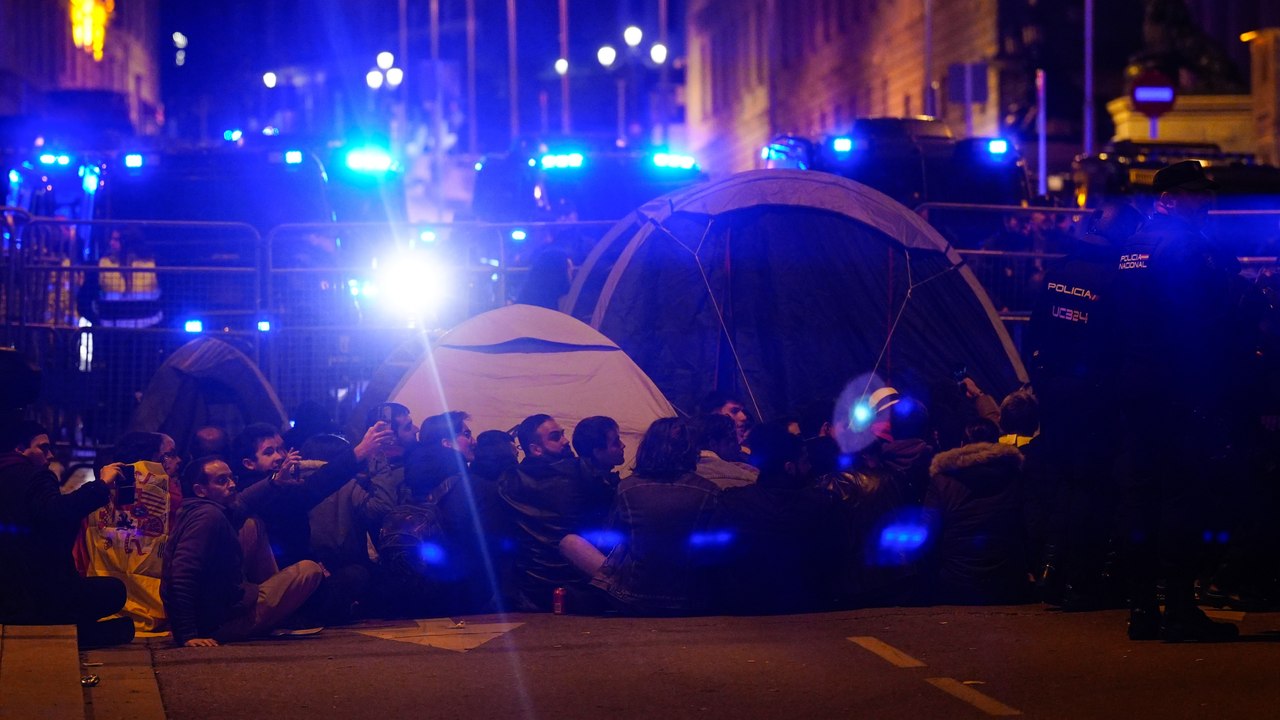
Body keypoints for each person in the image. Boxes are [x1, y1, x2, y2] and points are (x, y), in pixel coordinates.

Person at [1111, 160, 1240, 642]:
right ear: (1167, 198)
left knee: (1141, 499)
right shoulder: (1186, 246)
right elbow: (1201, 324)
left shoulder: (1135, 244)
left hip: (1138, 384)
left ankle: (1143, 610)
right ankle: (1181, 610)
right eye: (1194, 194)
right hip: (1178, 387)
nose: (1205, 202)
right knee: (1181, 499)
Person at [1026, 201, 1139, 608]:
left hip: (1056, 395)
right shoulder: (1118, 280)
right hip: (1094, 399)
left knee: (1062, 483)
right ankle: (1080, 580)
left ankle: (1051, 573)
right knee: (1093, 487)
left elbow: (1035, 333)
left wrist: (1043, 380)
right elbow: (1124, 344)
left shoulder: (1060, 271)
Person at [560, 418, 723, 615]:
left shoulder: (627, 488)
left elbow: (609, 540)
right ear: (690, 450)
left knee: (570, 543)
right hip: (689, 599)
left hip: (635, 598)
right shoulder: (710, 491)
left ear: (648, 447)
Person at [162, 456, 325, 647]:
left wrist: (275, 481)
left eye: (232, 478)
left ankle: (274, 608)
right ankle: (279, 616)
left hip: (222, 608)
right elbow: (181, 574)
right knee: (309, 569)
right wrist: (187, 634)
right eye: (222, 481)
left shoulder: (203, 510)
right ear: (200, 490)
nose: (231, 485)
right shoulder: (208, 517)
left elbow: (245, 502)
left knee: (250, 525)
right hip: (220, 624)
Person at [0, 427, 135, 648]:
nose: (50, 455)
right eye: (43, 448)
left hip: (9, 591)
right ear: (20, 449)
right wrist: (101, 485)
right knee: (115, 591)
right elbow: (57, 512)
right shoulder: (34, 476)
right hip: (36, 590)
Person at [717, 422, 842, 614]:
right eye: (805, 461)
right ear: (789, 468)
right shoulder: (821, 504)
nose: (809, 466)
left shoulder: (733, 500)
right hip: (809, 605)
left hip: (747, 604)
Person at [499, 413, 614, 611]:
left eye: (562, 434)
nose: (565, 440)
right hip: (580, 577)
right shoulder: (582, 471)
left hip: (532, 581)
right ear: (535, 449)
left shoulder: (509, 480)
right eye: (555, 437)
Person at [922, 419, 1033, 605]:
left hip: (956, 582)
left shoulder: (943, 480)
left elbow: (928, 531)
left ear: (962, 445)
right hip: (1008, 582)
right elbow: (1028, 524)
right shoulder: (1014, 475)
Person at [692, 413, 759, 490]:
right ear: (713, 444)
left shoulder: (682, 475)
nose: (738, 447)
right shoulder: (745, 480)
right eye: (732, 440)